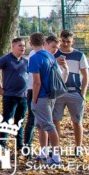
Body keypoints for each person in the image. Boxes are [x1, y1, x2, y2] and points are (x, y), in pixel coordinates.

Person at [28, 32, 68, 165]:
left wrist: (34, 100)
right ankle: (43, 153)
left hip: (42, 96)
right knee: (41, 125)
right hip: (51, 94)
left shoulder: (34, 58)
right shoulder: (50, 56)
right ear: (44, 42)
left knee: (49, 126)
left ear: (31, 43)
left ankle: (56, 157)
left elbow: (37, 82)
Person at [0, 36, 30, 153]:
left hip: (23, 96)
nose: (22, 48)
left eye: (24, 46)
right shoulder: (6, 59)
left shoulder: (26, 62)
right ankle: (2, 144)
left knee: (20, 121)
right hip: (10, 96)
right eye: (20, 45)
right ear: (13, 46)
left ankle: (19, 145)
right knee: (6, 120)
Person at [53, 30, 89, 155]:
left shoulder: (79, 55)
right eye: (63, 41)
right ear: (60, 40)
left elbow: (85, 75)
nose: (65, 44)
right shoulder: (54, 54)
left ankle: (78, 147)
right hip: (58, 92)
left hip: (74, 91)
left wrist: (83, 93)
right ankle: (56, 147)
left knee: (77, 121)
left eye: (68, 42)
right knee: (55, 120)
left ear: (72, 41)